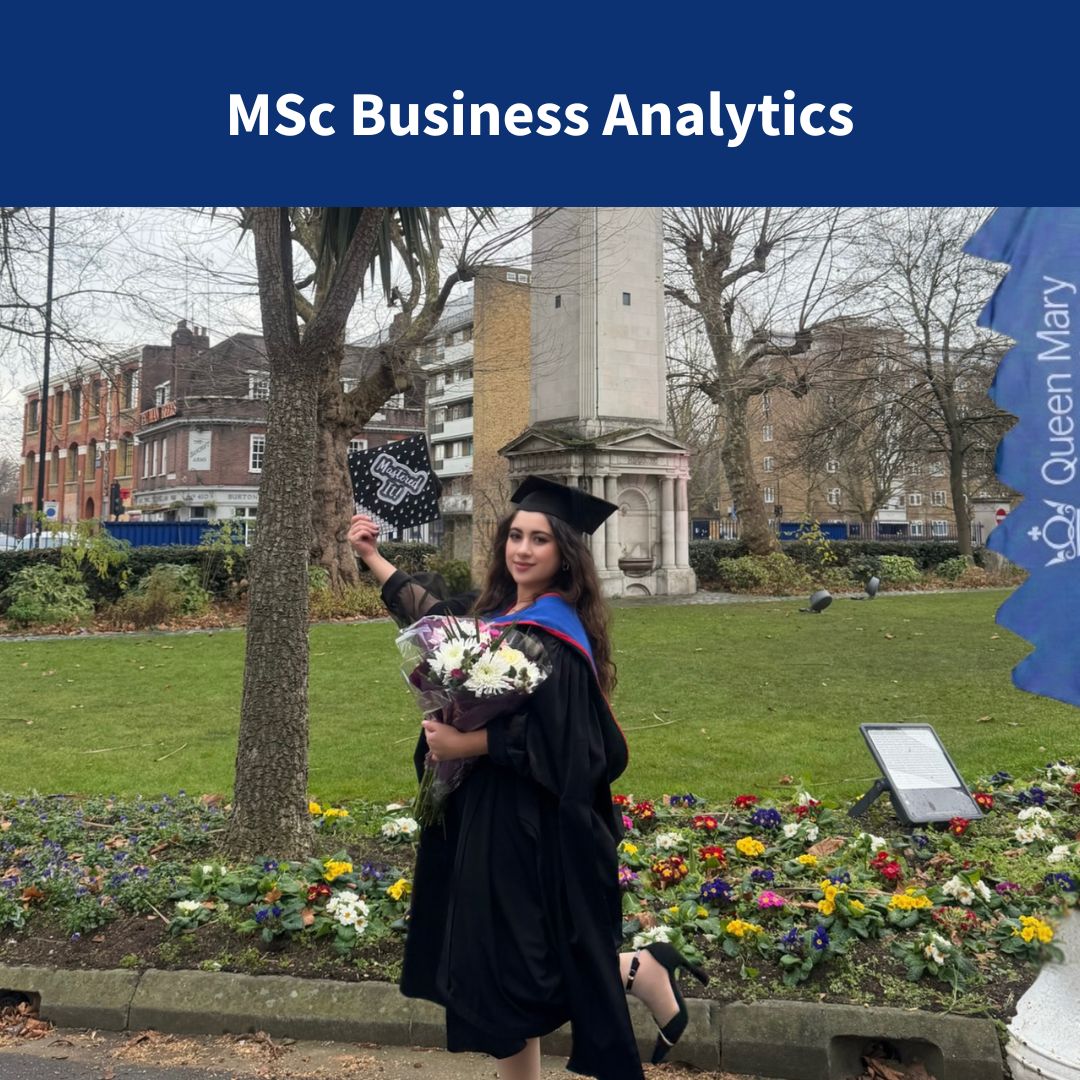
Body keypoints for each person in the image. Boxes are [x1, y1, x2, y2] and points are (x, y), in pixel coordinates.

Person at [348, 476, 705, 1080]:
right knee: (511, 960)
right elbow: (435, 619)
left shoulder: (555, 633)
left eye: (539, 539)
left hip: (527, 819)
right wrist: (373, 557)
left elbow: (568, 742)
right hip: (481, 810)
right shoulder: (494, 613)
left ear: (565, 554)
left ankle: (640, 970)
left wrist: (468, 740)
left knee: (509, 967)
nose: (523, 549)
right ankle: (641, 968)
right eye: (516, 536)